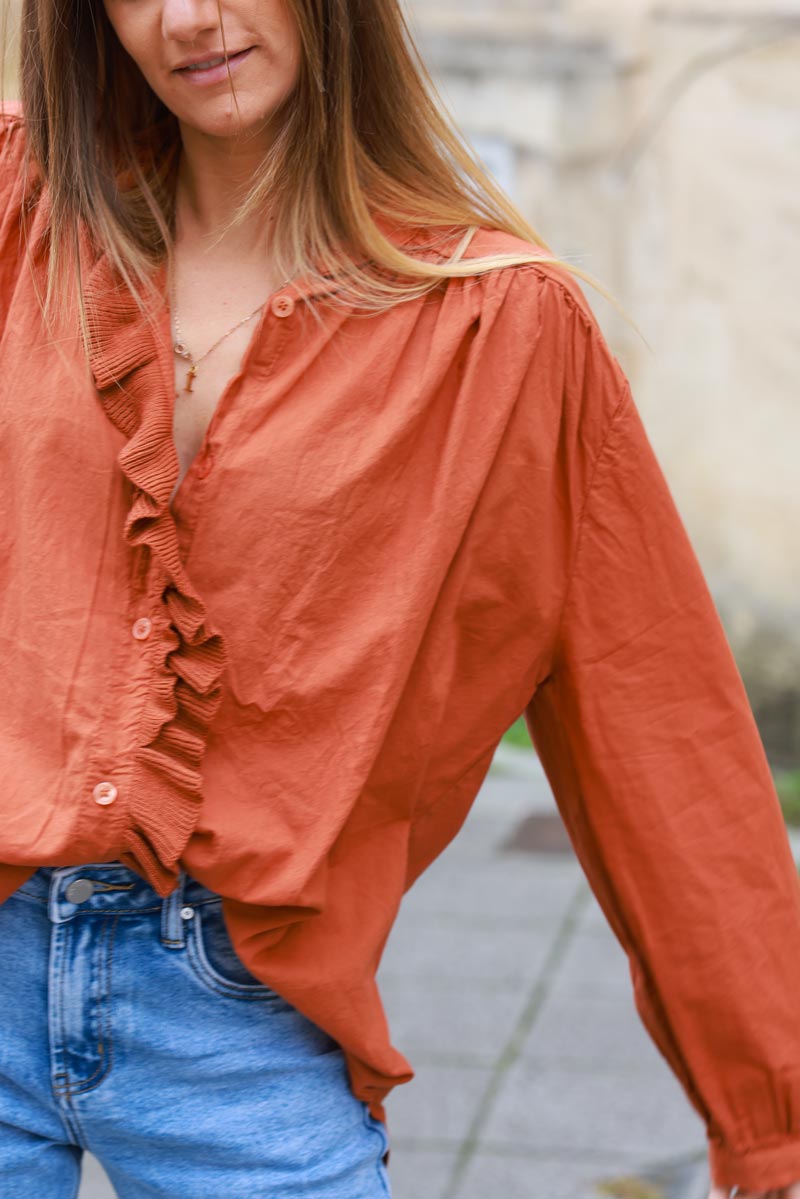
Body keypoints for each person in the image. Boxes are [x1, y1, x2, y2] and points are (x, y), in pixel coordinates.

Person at [0, 0, 798, 1196]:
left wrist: (767, 1114)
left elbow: (654, 721)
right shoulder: (24, 215)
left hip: (237, 1020)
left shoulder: (503, 333)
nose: (189, 19)